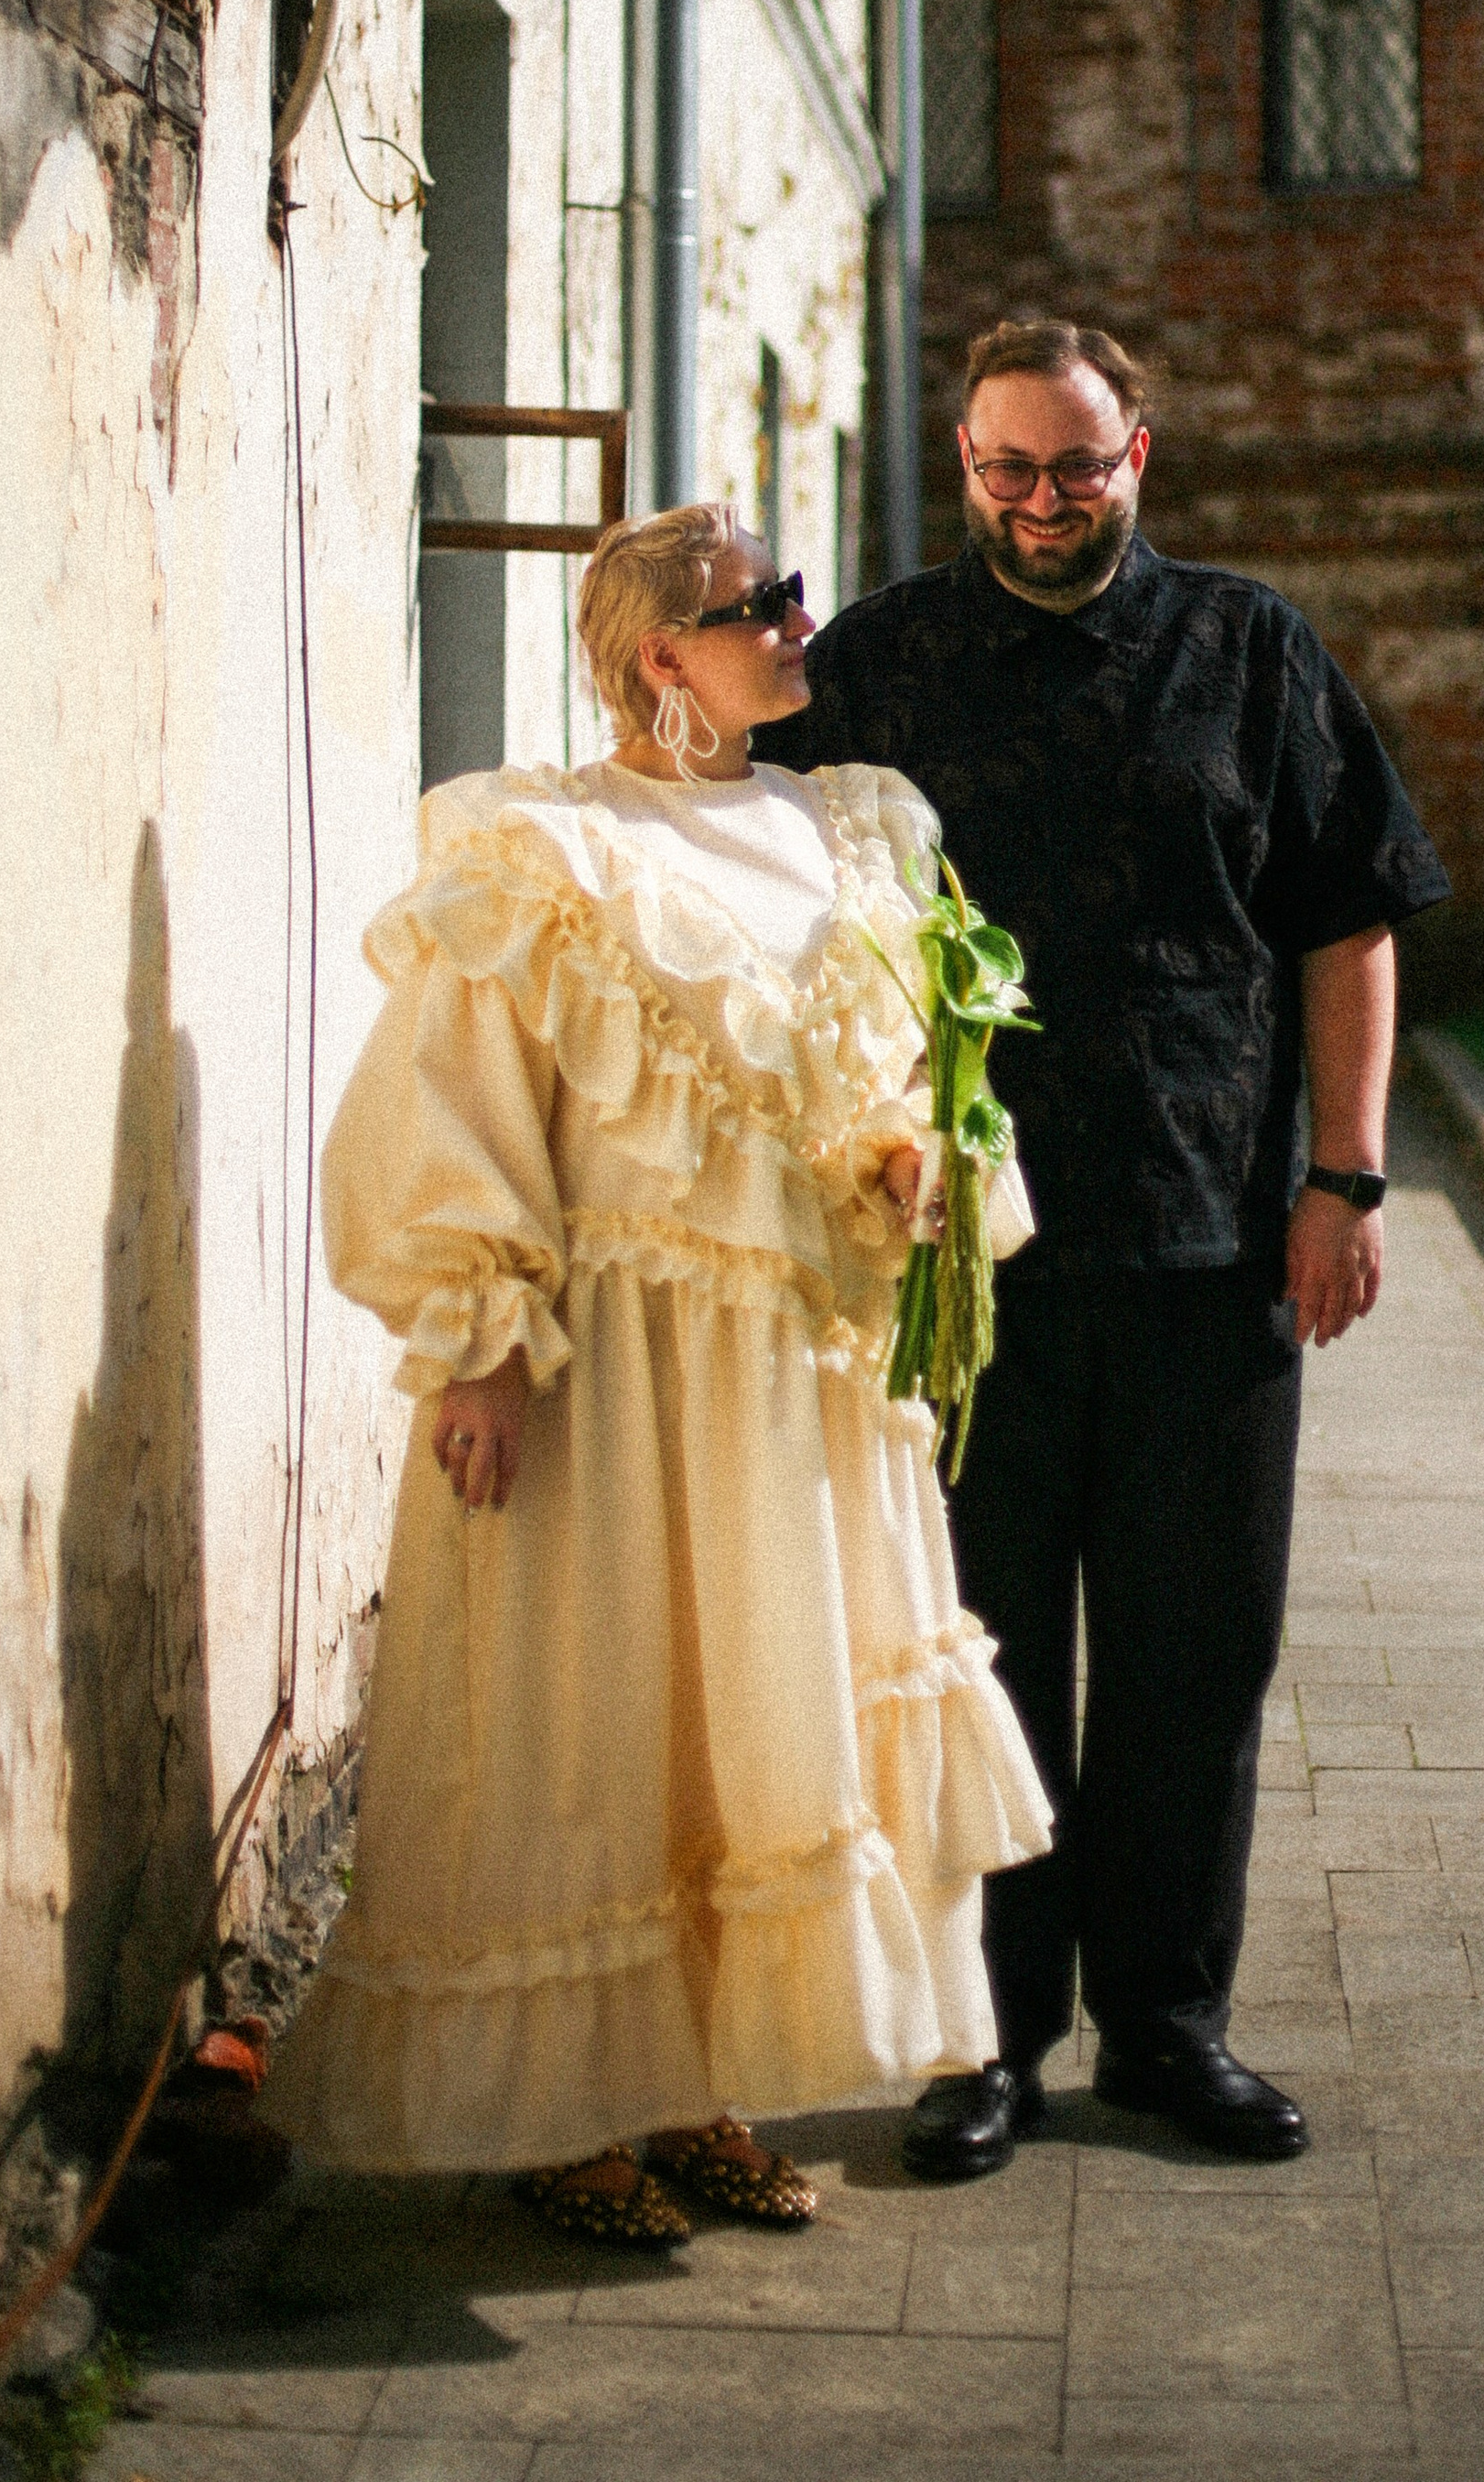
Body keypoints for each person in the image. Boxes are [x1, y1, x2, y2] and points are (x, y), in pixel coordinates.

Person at [262, 504, 1051, 2244]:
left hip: (793, 1373)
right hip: (608, 1356)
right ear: (654, 658)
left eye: (789, 593)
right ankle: (568, 2114)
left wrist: (914, 1159)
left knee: (758, 1719)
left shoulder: (856, 831)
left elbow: (905, 1072)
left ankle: (702, 2089)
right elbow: (458, 1094)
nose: (792, 621)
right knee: (597, 1711)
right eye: (750, 605)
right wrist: (479, 1348)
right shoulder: (546, 848)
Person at [755, 320, 1449, 2178]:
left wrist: (1346, 1181)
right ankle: (978, 2045)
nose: (1042, 502)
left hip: (1209, 1240)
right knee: (970, 1655)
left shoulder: (1248, 651)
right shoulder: (873, 666)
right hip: (956, 1266)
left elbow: (1344, 922)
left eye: (1076, 468)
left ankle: (1165, 2027)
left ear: (1137, 452)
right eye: (1005, 469)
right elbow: (755, 897)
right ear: (957, 461)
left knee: (1190, 1651)